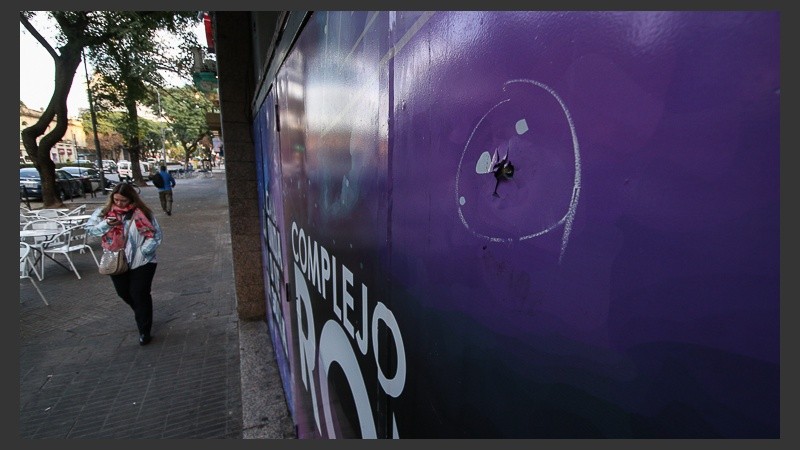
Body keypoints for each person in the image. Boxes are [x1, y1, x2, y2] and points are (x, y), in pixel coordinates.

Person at [85, 183, 162, 346]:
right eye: (117, 199)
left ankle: (144, 331)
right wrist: (106, 224)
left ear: (132, 199)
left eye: (124, 200)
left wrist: (143, 251)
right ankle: (142, 313)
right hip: (116, 260)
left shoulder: (143, 213)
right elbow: (90, 230)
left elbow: (156, 235)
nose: (119, 203)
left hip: (143, 261)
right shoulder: (103, 213)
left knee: (139, 293)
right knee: (124, 293)